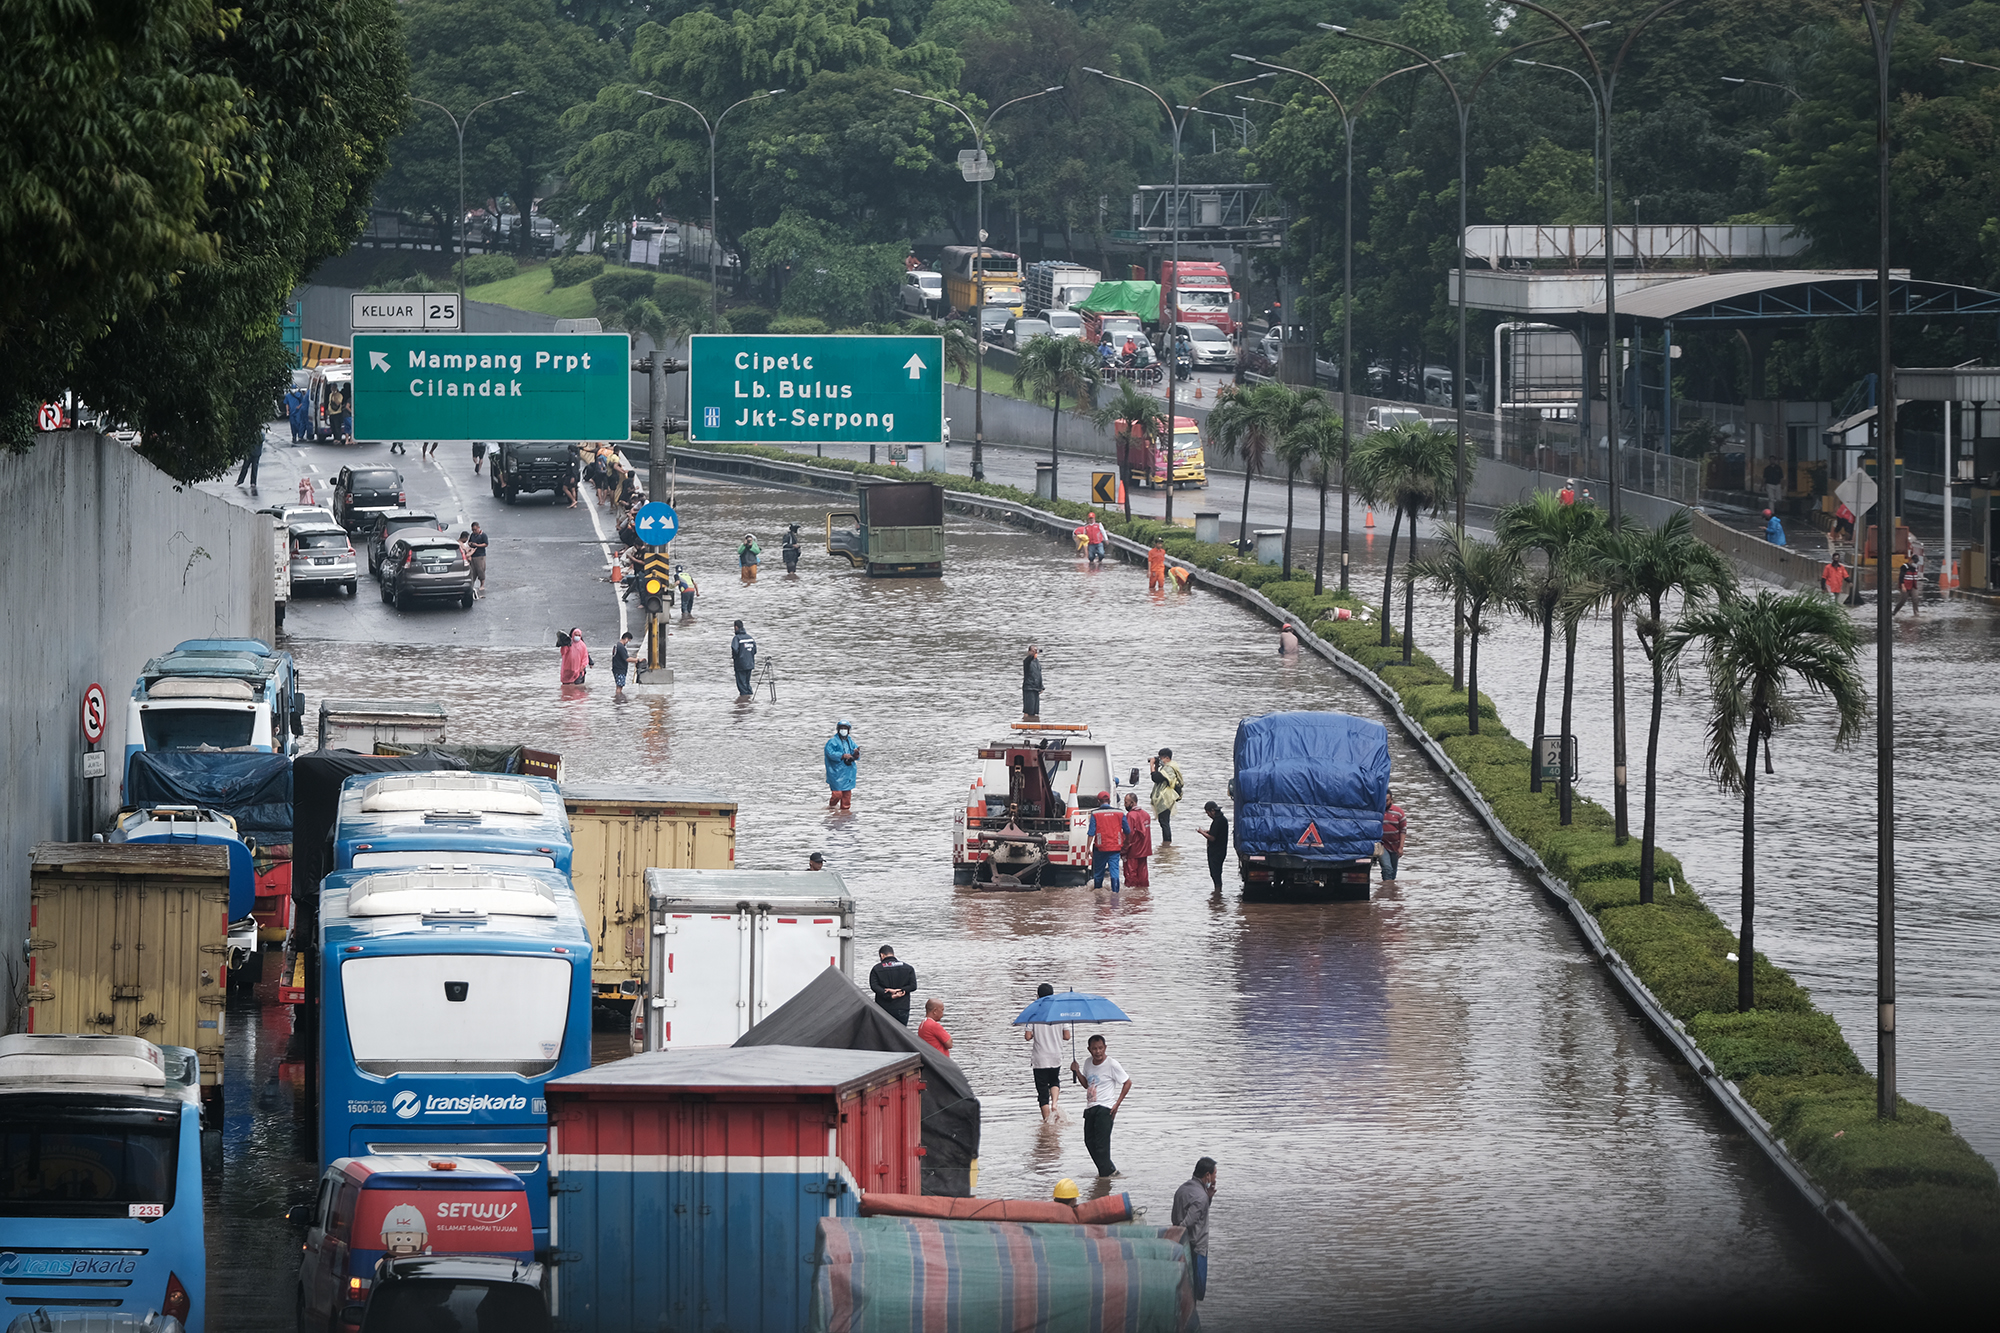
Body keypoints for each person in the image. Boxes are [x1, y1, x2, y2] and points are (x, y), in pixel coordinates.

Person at [1069, 1034, 1130, 1178]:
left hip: (1105, 1108)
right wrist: (1077, 1071)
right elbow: (1086, 1085)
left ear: (1105, 1048)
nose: (1098, 1052)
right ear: (1089, 1049)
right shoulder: (1088, 1063)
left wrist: (1117, 1104)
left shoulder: (1112, 1064)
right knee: (1089, 1142)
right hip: (1090, 1108)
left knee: (1102, 1146)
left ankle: (1107, 1174)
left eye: (1100, 1048)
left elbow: (1127, 1082)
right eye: (1094, 1049)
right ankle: (1108, 1172)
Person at [1171, 1159, 1218, 1302]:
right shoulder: (1200, 1197)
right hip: (1196, 1248)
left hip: (1180, 1244)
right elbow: (1188, 1222)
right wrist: (1205, 1198)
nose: (1216, 1178)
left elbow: (1183, 1217)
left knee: (1182, 1286)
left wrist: (1208, 1198)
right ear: (1207, 1175)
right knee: (1195, 1291)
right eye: (1215, 1174)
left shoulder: (1183, 1188)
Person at [1024, 982, 1070, 1123]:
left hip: (1040, 1059)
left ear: (1037, 996)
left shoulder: (1033, 1013)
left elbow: (1027, 1037)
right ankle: (1055, 1104)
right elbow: (1067, 1036)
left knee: (1043, 1093)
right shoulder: (1060, 1013)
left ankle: (1047, 1123)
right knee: (1055, 1081)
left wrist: (1034, 1033)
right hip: (1055, 1056)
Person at [868, 945, 916, 1025]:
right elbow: (913, 986)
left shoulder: (876, 969)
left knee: (883, 1034)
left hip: (883, 1007)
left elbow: (874, 986)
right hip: (902, 1007)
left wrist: (888, 994)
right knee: (901, 1034)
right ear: (893, 954)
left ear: (882, 955)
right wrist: (900, 990)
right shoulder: (908, 968)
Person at [1087, 791, 1125, 892]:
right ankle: (1115, 894)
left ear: (1098, 801)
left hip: (1100, 848)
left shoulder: (1095, 814)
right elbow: (1128, 830)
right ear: (1109, 800)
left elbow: (1091, 833)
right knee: (1114, 872)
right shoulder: (1120, 813)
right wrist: (1126, 843)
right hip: (1115, 847)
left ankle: (1098, 894)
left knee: (1099, 873)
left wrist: (1088, 848)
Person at [824, 719, 859, 811]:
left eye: (845, 728)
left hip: (848, 772)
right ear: (838, 729)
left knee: (847, 797)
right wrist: (842, 756)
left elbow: (855, 754)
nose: (843, 730)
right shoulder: (832, 742)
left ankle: (844, 816)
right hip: (836, 772)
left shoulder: (850, 741)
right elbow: (830, 754)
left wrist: (856, 754)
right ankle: (831, 807)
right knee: (837, 794)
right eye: (841, 728)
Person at [1150, 749, 1183, 844]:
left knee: (1164, 822)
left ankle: (1167, 843)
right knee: (1164, 822)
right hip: (1166, 797)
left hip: (1166, 798)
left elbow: (1155, 778)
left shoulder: (1169, 768)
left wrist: (1151, 765)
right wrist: (1156, 766)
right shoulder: (1167, 768)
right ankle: (1166, 845)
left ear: (1167, 758)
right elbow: (1159, 776)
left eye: (1160, 758)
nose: (1160, 760)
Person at [1121, 792, 1153, 888]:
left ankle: (1132, 899)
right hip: (1144, 850)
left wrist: (1123, 850)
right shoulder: (1146, 814)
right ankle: (1143, 895)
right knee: (1143, 876)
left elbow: (1128, 835)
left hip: (1133, 851)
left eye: (1126, 802)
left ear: (1132, 803)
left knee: (1131, 876)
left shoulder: (1130, 816)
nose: (1124, 805)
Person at [1198, 800, 1229, 894]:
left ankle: (1217, 890)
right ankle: (1218, 892)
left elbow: (1212, 838)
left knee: (1215, 872)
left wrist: (1202, 833)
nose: (1208, 815)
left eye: (1208, 813)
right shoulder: (1222, 819)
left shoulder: (1218, 821)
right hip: (1221, 850)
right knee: (1217, 871)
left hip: (1216, 851)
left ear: (1212, 811)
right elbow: (1217, 833)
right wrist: (1208, 831)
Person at [1380, 792, 1408, 883]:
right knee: (1387, 868)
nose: (1385, 803)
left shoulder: (1399, 812)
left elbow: (1403, 830)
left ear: (1391, 800)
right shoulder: (1378, 811)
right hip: (1382, 845)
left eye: (1387, 801)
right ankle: (1387, 889)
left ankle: (1390, 888)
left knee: (1393, 871)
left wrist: (1401, 847)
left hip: (1395, 845)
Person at [730, 620, 757, 700]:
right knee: (747, 684)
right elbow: (754, 650)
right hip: (750, 664)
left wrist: (735, 657)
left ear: (736, 627)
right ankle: (749, 700)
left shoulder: (736, 638)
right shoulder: (750, 638)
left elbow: (735, 649)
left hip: (740, 665)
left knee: (742, 685)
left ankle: (744, 703)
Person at [1894, 548, 1923, 617]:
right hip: (1905, 585)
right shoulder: (1904, 567)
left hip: (1913, 586)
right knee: (1903, 600)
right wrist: (1903, 586)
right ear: (1911, 560)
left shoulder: (1915, 568)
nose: (1915, 563)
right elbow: (1901, 577)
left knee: (1915, 599)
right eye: (1914, 561)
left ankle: (1916, 614)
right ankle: (1894, 612)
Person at [1022, 645, 1043, 722]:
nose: (1035, 652)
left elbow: (1039, 674)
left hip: (1036, 688)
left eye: (1036, 650)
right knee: (1028, 709)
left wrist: (1041, 687)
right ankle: (1025, 723)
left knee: (1035, 710)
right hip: (1029, 688)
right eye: (1033, 650)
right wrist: (1032, 654)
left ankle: (1034, 726)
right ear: (1029, 652)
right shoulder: (1027, 662)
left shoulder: (1037, 662)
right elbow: (1029, 659)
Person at [467, 523, 489, 597]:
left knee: (480, 570)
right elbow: (469, 542)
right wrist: (471, 544)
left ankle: (482, 584)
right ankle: (472, 585)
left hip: (480, 555)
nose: (474, 531)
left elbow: (486, 544)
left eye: (475, 529)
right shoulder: (472, 535)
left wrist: (477, 545)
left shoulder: (483, 535)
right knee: (473, 570)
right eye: (473, 530)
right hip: (473, 555)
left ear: (479, 528)